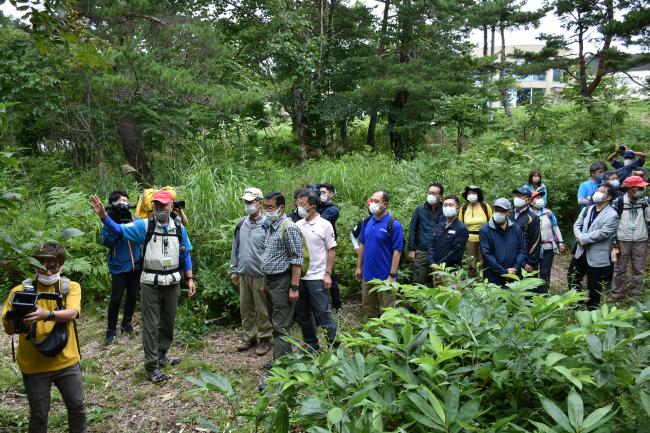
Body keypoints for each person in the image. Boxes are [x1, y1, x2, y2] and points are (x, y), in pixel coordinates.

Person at [90, 191, 196, 382]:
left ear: (171, 206)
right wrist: (103, 217)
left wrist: (189, 278)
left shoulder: (179, 228)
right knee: (150, 324)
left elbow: (185, 252)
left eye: (163, 206)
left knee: (168, 321)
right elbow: (119, 231)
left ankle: (162, 354)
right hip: (150, 282)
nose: (159, 209)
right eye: (156, 205)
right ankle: (152, 366)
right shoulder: (144, 226)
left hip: (172, 281)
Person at [2, 242, 86, 433]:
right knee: (39, 415)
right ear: (34, 267)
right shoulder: (19, 291)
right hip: (34, 365)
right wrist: (14, 319)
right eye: (43, 268)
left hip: (66, 361)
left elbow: (73, 313)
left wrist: (45, 315)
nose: (48, 273)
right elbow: (8, 329)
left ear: (60, 265)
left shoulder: (69, 287)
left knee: (77, 407)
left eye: (53, 267)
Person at [230, 187, 272, 356]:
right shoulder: (242, 223)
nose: (248, 205)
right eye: (246, 202)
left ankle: (265, 338)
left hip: (261, 273)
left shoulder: (268, 223)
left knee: (263, 308)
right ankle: (249, 336)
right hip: (243, 272)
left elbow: (272, 248)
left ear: (259, 203)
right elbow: (235, 247)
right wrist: (234, 269)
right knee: (245, 307)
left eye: (251, 202)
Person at [260, 192, 303, 361]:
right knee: (275, 323)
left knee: (281, 326)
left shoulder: (289, 227)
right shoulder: (270, 225)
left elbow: (296, 260)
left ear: (281, 208)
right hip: (269, 280)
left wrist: (294, 287)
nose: (267, 210)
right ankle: (282, 360)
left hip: (282, 281)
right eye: (265, 207)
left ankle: (281, 367)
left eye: (270, 207)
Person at [295, 189, 337, 350]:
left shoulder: (324, 225)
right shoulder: (297, 225)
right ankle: (311, 344)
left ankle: (333, 345)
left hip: (317, 277)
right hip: (300, 277)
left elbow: (331, 250)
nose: (299, 207)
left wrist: (328, 274)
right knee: (303, 314)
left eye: (302, 204)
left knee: (323, 313)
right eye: (298, 204)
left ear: (312, 207)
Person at [568, 183, 620, 308]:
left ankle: (592, 308)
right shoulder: (588, 209)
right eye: (598, 189)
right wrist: (580, 236)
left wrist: (582, 238)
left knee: (594, 284)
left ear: (609, 197)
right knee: (572, 276)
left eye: (602, 191)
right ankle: (577, 302)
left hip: (596, 254)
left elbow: (604, 233)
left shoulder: (612, 215)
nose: (598, 192)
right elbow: (577, 225)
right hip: (580, 251)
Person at [102, 191, 142, 345]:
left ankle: (127, 325)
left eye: (127, 200)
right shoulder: (109, 222)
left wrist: (130, 221)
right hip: (119, 266)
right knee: (116, 298)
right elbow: (107, 243)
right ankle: (111, 330)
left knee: (132, 296)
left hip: (136, 265)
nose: (125, 203)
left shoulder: (134, 219)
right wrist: (115, 226)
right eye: (121, 201)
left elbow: (141, 234)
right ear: (113, 204)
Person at [355, 191, 404, 318]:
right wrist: (359, 267)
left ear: (385, 204)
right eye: (371, 200)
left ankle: (386, 336)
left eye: (376, 201)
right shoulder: (367, 222)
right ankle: (371, 334)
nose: (372, 204)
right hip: (367, 274)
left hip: (385, 276)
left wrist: (392, 275)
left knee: (387, 311)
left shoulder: (393, 225)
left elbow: (397, 251)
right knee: (368, 306)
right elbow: (362, 245)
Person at [609, 176, 650, 302]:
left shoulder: (646, 201)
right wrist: (612, 241)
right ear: (631, 189)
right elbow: (611, 223)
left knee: (639, 268)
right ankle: (616, 294)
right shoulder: (619, 201)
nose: (643, 189)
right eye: (640, 187)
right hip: (622, 240)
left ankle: (636, 294)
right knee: (619, 268)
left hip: (640, 239)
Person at [479, 198, 527, 287]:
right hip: (493, 276)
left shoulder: (516, 228)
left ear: (509, 212)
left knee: (513, 299)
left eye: (502, 210)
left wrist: (515, 268)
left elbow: (522, 250)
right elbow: (487, 254)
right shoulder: (485, 230)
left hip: (514, 275)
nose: (498, 212)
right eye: (497, 209)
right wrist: (504, 272)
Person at [408, 183, 444, 285]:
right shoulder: (420, 209)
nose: (432, 195)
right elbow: (413, 229)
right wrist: (411, 249)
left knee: (439, 281)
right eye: (430, 193)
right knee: (418, 280)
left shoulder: (445, 210)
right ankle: (416, 300)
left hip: (439, 251)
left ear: (440, 196)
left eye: (435, 193)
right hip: (422, 249)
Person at [530, 191, 565, 291]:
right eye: (536, 198)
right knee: (532, 272)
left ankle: (543, 293)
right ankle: (531, 294)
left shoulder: (548, 213)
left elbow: (555, 227)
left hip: (548, 247)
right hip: (533, 249)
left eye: (540, 197)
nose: (540, 199)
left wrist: (561, 242)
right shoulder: (527, 214)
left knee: (545, 271)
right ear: (531, 201)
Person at [428, 195, 469, 274]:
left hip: (451, 270)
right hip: (435, 268)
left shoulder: (461, 228)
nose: (447, 207)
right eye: (445, 205)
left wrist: (440, 267)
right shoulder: (439, 225)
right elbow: (432, 245)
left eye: (451, 205)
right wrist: (432, 263)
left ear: (457, 208)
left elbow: (455, 252)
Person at [510, 187, 542, 287]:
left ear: (528, 199)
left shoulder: (532, 218)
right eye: (516, 195)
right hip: (509, 256)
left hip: (525, 258)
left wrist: (531, 262)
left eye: (520, 196)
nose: (517, 198)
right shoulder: (508, 214)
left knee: (525, 287)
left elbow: (536, 241)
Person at [459, 186, 492, 278]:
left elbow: (491, 222)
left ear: (478, 194)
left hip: (484, 237)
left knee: (484, 261)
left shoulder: (485, 206)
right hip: (470, 239)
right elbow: (460, 225)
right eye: (469, 194)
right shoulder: (464, 208)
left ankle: (484, 281)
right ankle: (472, 283)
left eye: (473, 193)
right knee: (471, 263)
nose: (471, 195)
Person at [318, 183, 342, 311]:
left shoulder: (332, 209)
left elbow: (320, 220)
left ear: (331, 194)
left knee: (329, 273)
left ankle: (336, 304)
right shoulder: (318, 206)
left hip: (328, 245)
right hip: (317, 245)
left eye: (323, 192)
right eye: (319, 192)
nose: (320, 195)